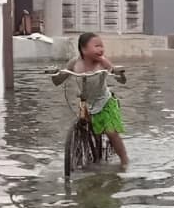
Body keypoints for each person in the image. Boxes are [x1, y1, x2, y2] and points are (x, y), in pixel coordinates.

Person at [52, 33, 130, 168]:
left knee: (111, 132)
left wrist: (118, 73)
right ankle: (87, 152)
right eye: (97, 46)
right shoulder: (74, 63)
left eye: (102, 46)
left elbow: (121, 79)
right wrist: (54, 73)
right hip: (87, 103)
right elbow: (58, 81)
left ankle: (124, 160)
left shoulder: (102, 62)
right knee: (86, 128)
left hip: (105, 102)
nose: (101, 49)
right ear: (83, 49)